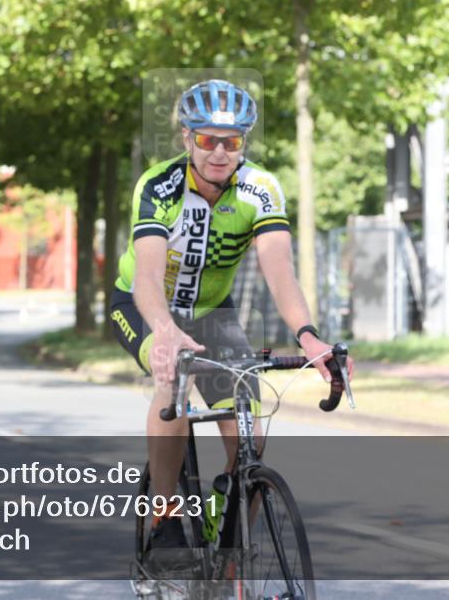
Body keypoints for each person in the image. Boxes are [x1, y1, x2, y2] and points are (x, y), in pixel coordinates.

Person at [109, 79, 335, 567]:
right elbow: (147, 276)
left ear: (243, 143)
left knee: (250, 426)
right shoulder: (159, 186)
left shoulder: (260, 189)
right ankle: (165, 518)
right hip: (145, 307)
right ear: (187, 138)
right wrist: (165, 330)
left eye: (230, 142)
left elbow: (280, 272)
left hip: (212, 312)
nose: (218, 152)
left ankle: (227, 537)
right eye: (207, 139)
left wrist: (309, 336)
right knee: (172, 379)